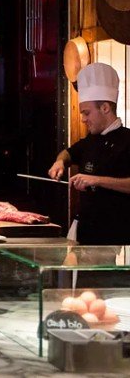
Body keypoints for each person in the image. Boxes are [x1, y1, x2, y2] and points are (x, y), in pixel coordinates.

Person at [48, 62, 130, 245]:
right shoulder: (90, 140)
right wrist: (60, 162)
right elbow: (68, 153)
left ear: (105, 108)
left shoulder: (127, 140)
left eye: (86, 113)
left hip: (117, 238)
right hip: (85, 233)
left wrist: (96, 180)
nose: (83, 119)